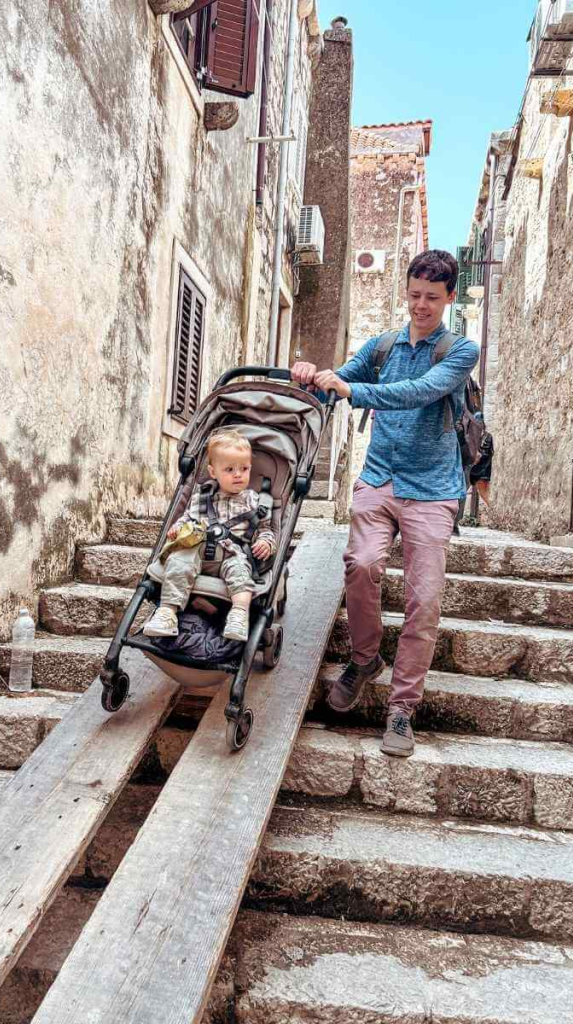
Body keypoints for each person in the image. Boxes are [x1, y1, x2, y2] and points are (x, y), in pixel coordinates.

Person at [292, 250, 480, 757]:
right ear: (407, 289)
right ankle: (364, 658)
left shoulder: (460, 351)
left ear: (449, 297)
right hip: (379, 478)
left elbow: (420, 391)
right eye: (415, 294)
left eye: (432, 298)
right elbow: (339, 382)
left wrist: (354, 389)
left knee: (424, 599)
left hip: (434, 489)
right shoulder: (382, 346)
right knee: (361, 563)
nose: (421, 305)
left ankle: (402, 709)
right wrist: (313, 375)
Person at [143, 429, 276, 643]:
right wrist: (177, 528)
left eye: (244, 469)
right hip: (198, 552)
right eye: (230, 469)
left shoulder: (255, 501)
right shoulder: (203, 497)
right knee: (179, 560)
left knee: (241, 573)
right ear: (213, 472)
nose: (238, 474)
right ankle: (167, 613)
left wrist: (265, 542)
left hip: (232, 554)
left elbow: (265, 530)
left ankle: (239, 615)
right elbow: (187, 519)